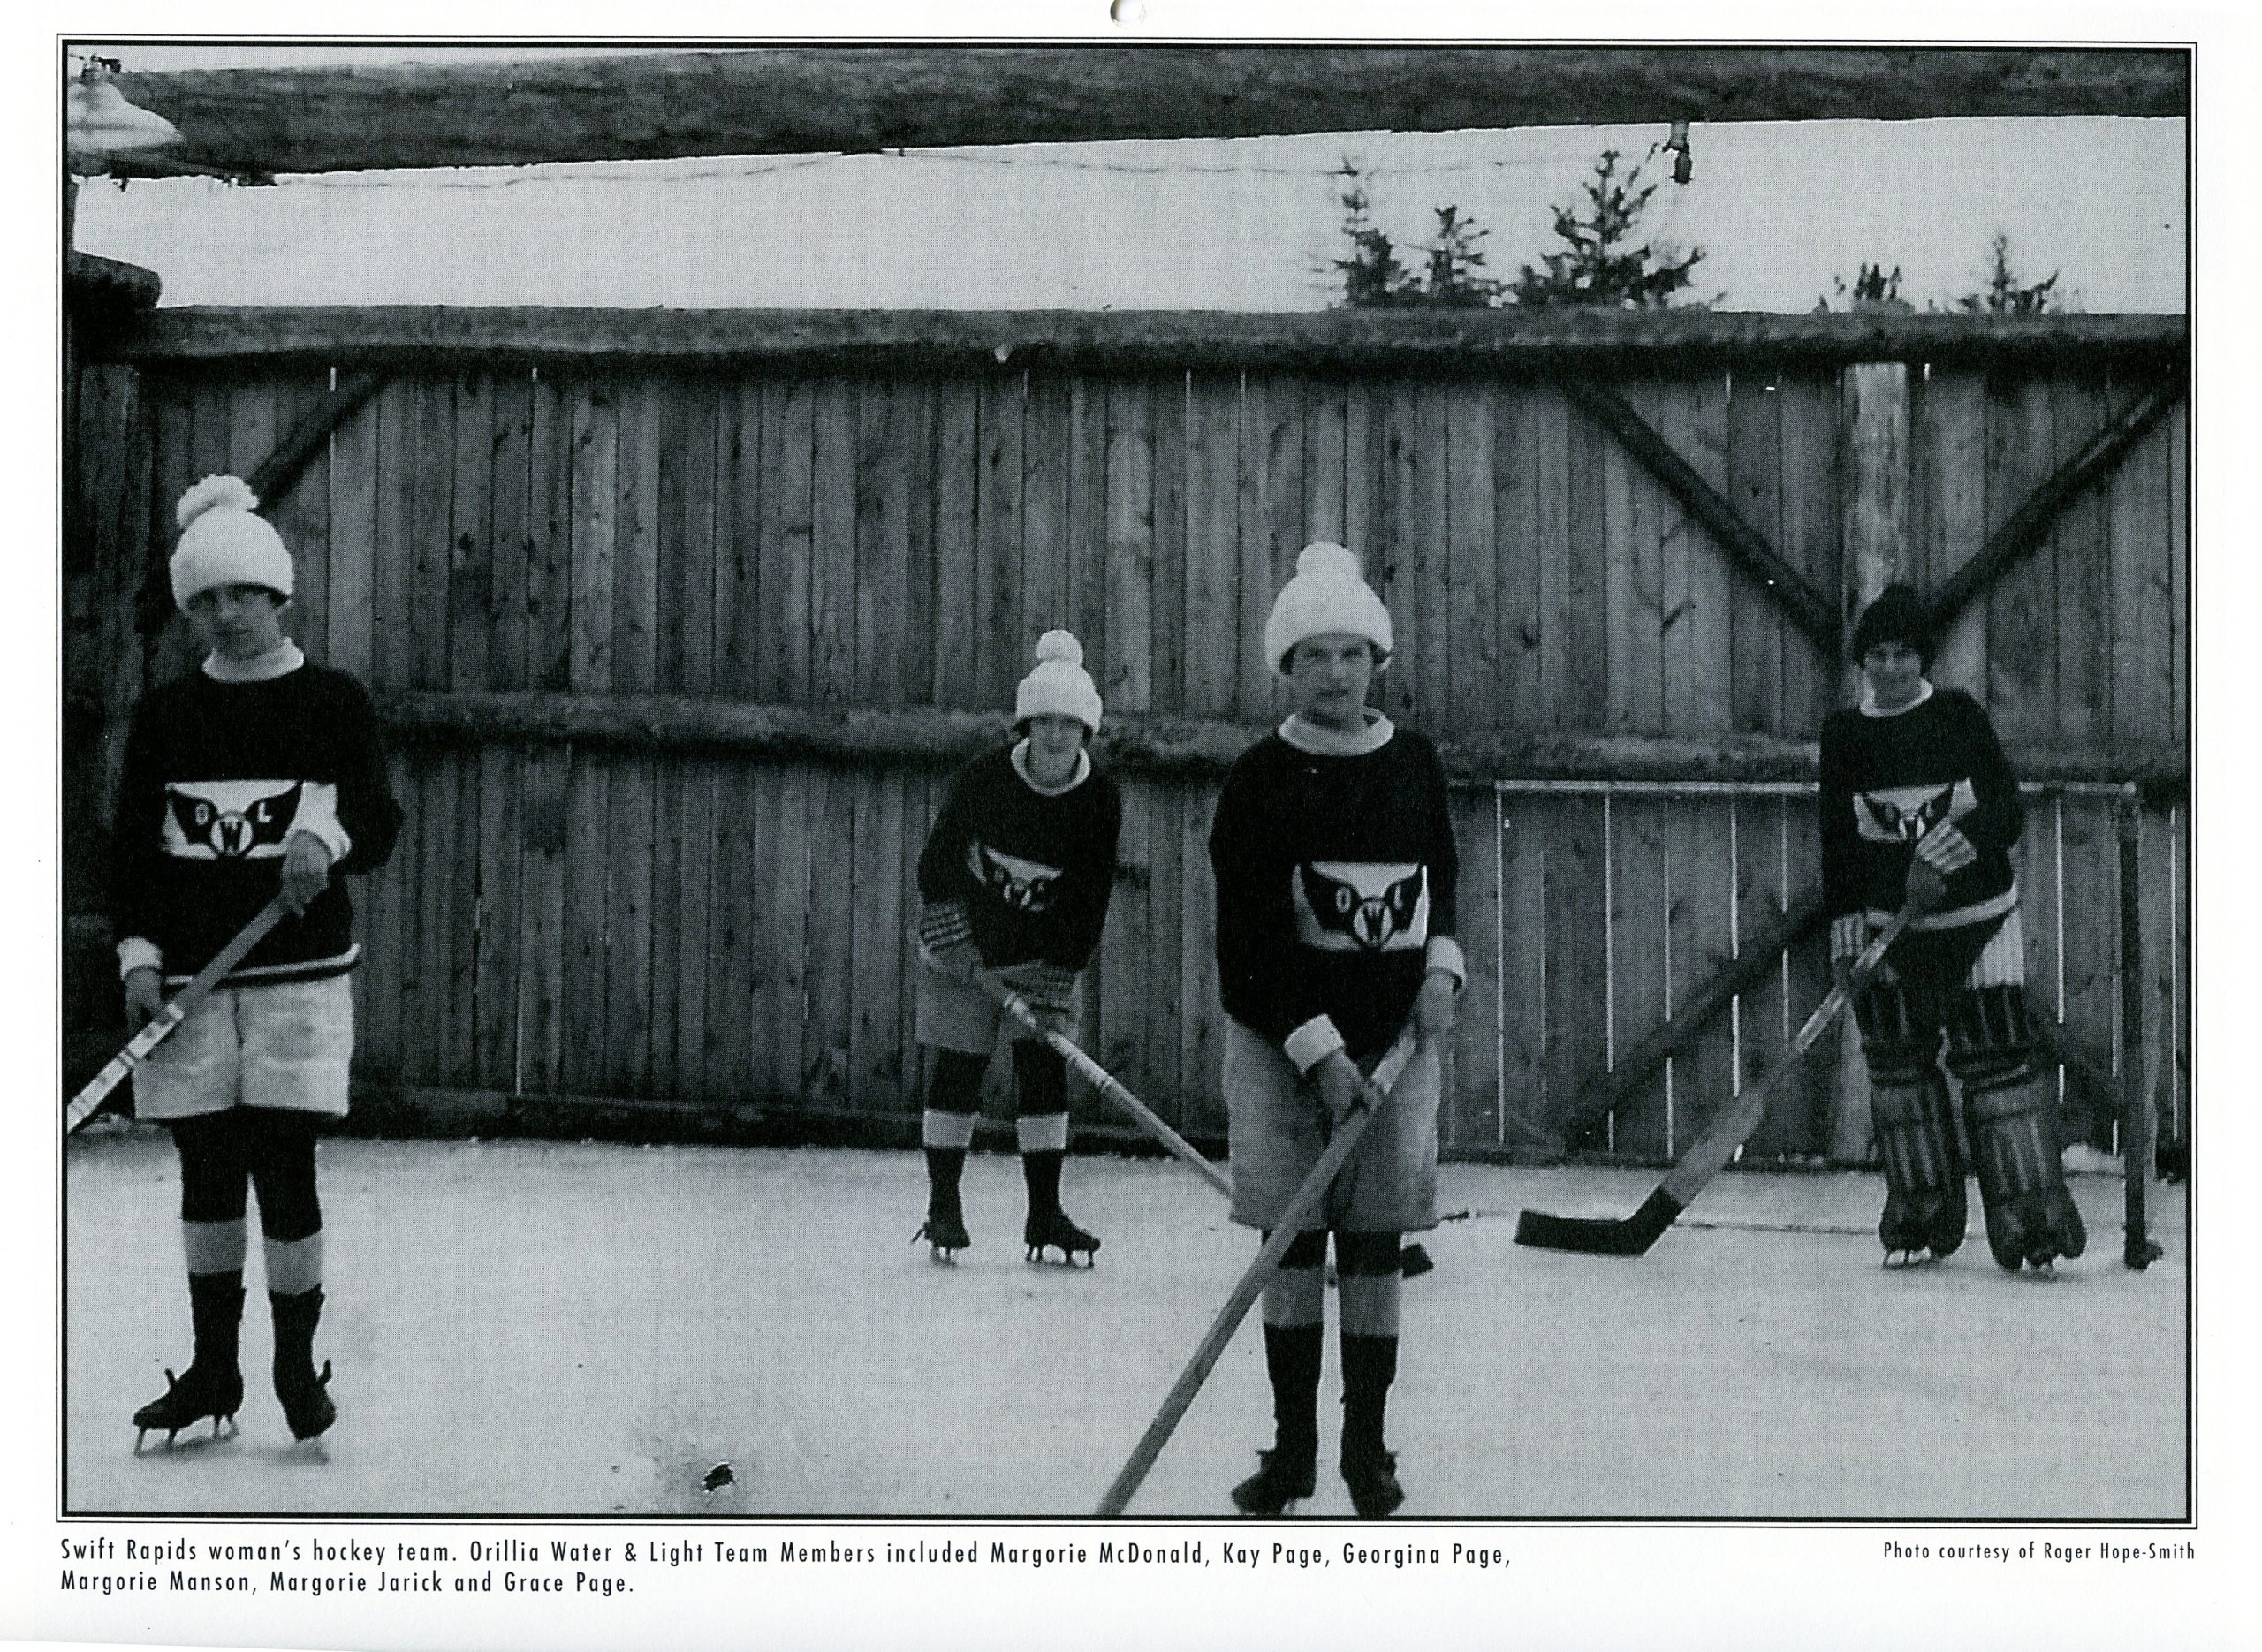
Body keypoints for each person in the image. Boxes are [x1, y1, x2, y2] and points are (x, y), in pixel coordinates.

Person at [112, 474, 402, 1449]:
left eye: (242, 594)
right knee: (205, 1169)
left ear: (278, 595)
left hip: (298, 982)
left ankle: (291, 1362)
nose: (224, 615)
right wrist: (140, 958)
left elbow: (377, 815)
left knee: (283, 1165)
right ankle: (212, 1369)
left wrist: (326, 835)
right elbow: (132, 851)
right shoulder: (167, 715)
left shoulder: (330, 700)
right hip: (192, 987)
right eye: (205, 599)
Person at [1207, 542, 1462, 1519]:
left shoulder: (1414, 765)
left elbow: (1442, 884)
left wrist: (1440, 969)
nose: (1335, 673)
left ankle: (1366, 1447)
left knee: (1371, 1245)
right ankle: (1293, 1449)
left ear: (1377, 661)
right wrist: (1314, 1053)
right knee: (1291, 1243)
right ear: (1286, 667)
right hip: (1282, 1051)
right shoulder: (1260, 779)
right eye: (1313, 655)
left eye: (1352, 653)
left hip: (1397, 1049)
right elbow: (1250, 944)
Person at [1820, 582, 2084, 1272]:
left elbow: (2006, 811)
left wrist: (1956, 846)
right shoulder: (1846, 734)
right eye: (1876, 655)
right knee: (1898, 1071)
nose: (1890, 667)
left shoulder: (1959, 717)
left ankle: (2034, 1220)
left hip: (1978, 922)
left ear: (1923, 660)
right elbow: (1837, 837)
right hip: (1891, 930)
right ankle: (1920, 1213)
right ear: (1863, 663)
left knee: (1998, 1066)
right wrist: (1846, 919)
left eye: (1903, 654)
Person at [912, 631, 1122, 1266]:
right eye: (1044, 722)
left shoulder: (1098, 799)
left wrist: (1059, 976)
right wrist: (954, 942)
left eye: (1070, 724)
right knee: (959, 1067)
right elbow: (937, 863)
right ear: (1026, 723)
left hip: (1042, 954)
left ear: (1086, 731)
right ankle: (943, 1204)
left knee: (1043, 1072)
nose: (1056, 736)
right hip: (967, 948)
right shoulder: (985, 778)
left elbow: (1089, 898)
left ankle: (1045, 1212)